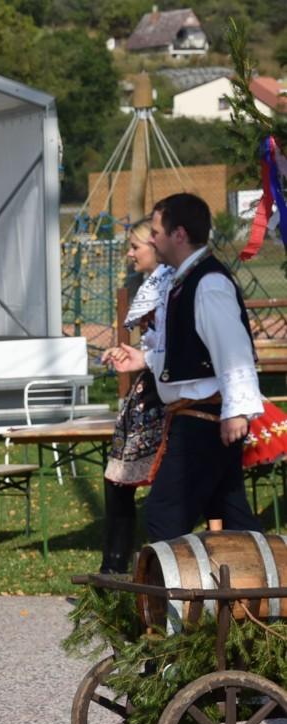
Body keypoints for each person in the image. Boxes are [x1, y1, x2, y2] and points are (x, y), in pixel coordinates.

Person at [103, 193, 265, 541]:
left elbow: (233, 349)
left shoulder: (208, 282)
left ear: (178, 234)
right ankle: (269, 574)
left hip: (204, 419)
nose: (152, 240)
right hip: (196, 415)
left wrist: (237, 410)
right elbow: (188, 350)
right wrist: (145, 360)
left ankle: (173, 583)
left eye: (156, 232)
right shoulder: (184, 280)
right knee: (234, 516)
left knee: (165, 515)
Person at [99, 221, 169, 573]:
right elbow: (156, 343)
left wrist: (147, 359)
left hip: (170, 394)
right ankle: (114, 567)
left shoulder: (173, 283)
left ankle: (165, 572)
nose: (129, 253)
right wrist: (134, 355)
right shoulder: (152, 284)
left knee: (169, 492)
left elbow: (177, 346)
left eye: (135, 246)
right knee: (117, 477)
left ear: (155, 246)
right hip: (150, 389)